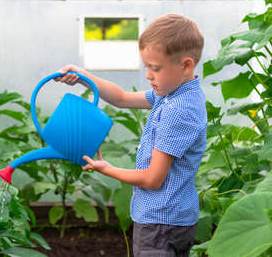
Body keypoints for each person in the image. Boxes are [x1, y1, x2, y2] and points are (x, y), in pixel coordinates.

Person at [55, 13, 206, 257]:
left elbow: (153, 179)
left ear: (186, 65)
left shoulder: (179, 110)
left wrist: (107, 169)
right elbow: (122, 99)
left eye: (155, 68)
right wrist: (83, 77)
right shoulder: (173, 93)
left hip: (161, 223)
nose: (148, 75)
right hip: (171, 219)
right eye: (147, 66)